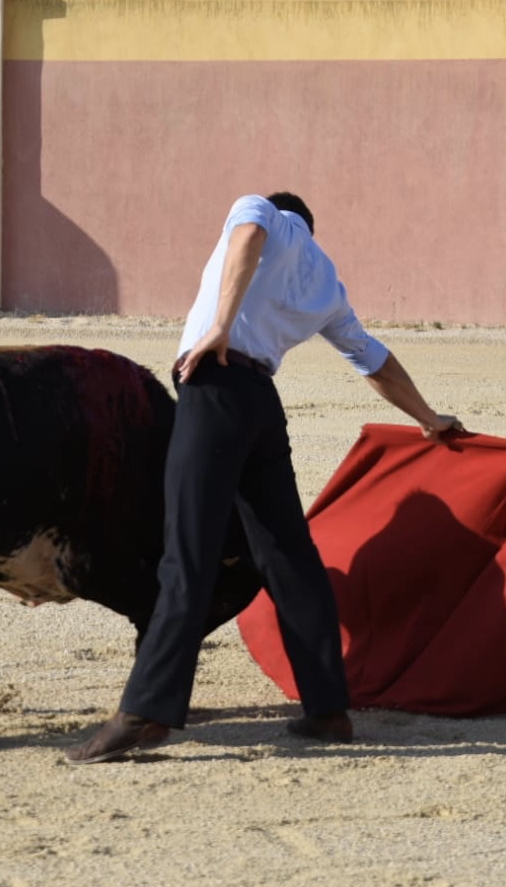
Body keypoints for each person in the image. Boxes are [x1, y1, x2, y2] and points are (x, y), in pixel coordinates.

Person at [64, 192, 461, 765]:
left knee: (187, 555)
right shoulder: (326, 280)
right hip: (260, 407)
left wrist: (220, 326)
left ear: (281, 212)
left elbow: (247, 237)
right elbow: (372, 359)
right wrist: (431, 418)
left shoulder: (259, 211)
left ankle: (146, 713)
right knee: (289, 557)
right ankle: (327, 710)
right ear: (312, 228)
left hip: (213, 388)